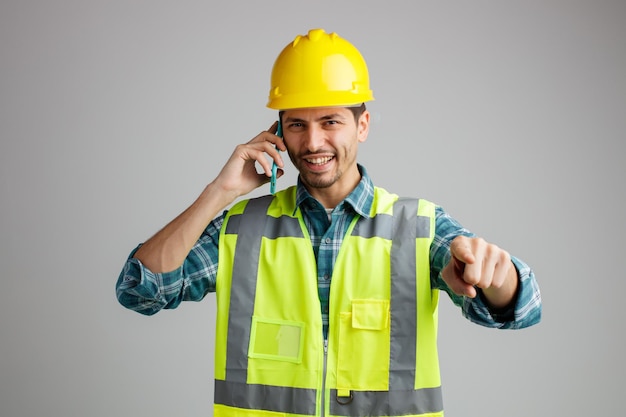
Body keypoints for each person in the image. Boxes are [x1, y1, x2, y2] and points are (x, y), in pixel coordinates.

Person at [116, 28, 542, 417]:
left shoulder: (417, 227)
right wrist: (220, 192)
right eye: (297, 124)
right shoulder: (239, 229)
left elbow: (521, 306)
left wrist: (495, 276)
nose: (313, 142)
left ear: (363, 125)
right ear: (277, 131)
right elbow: (141, 289)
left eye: (330, 121)